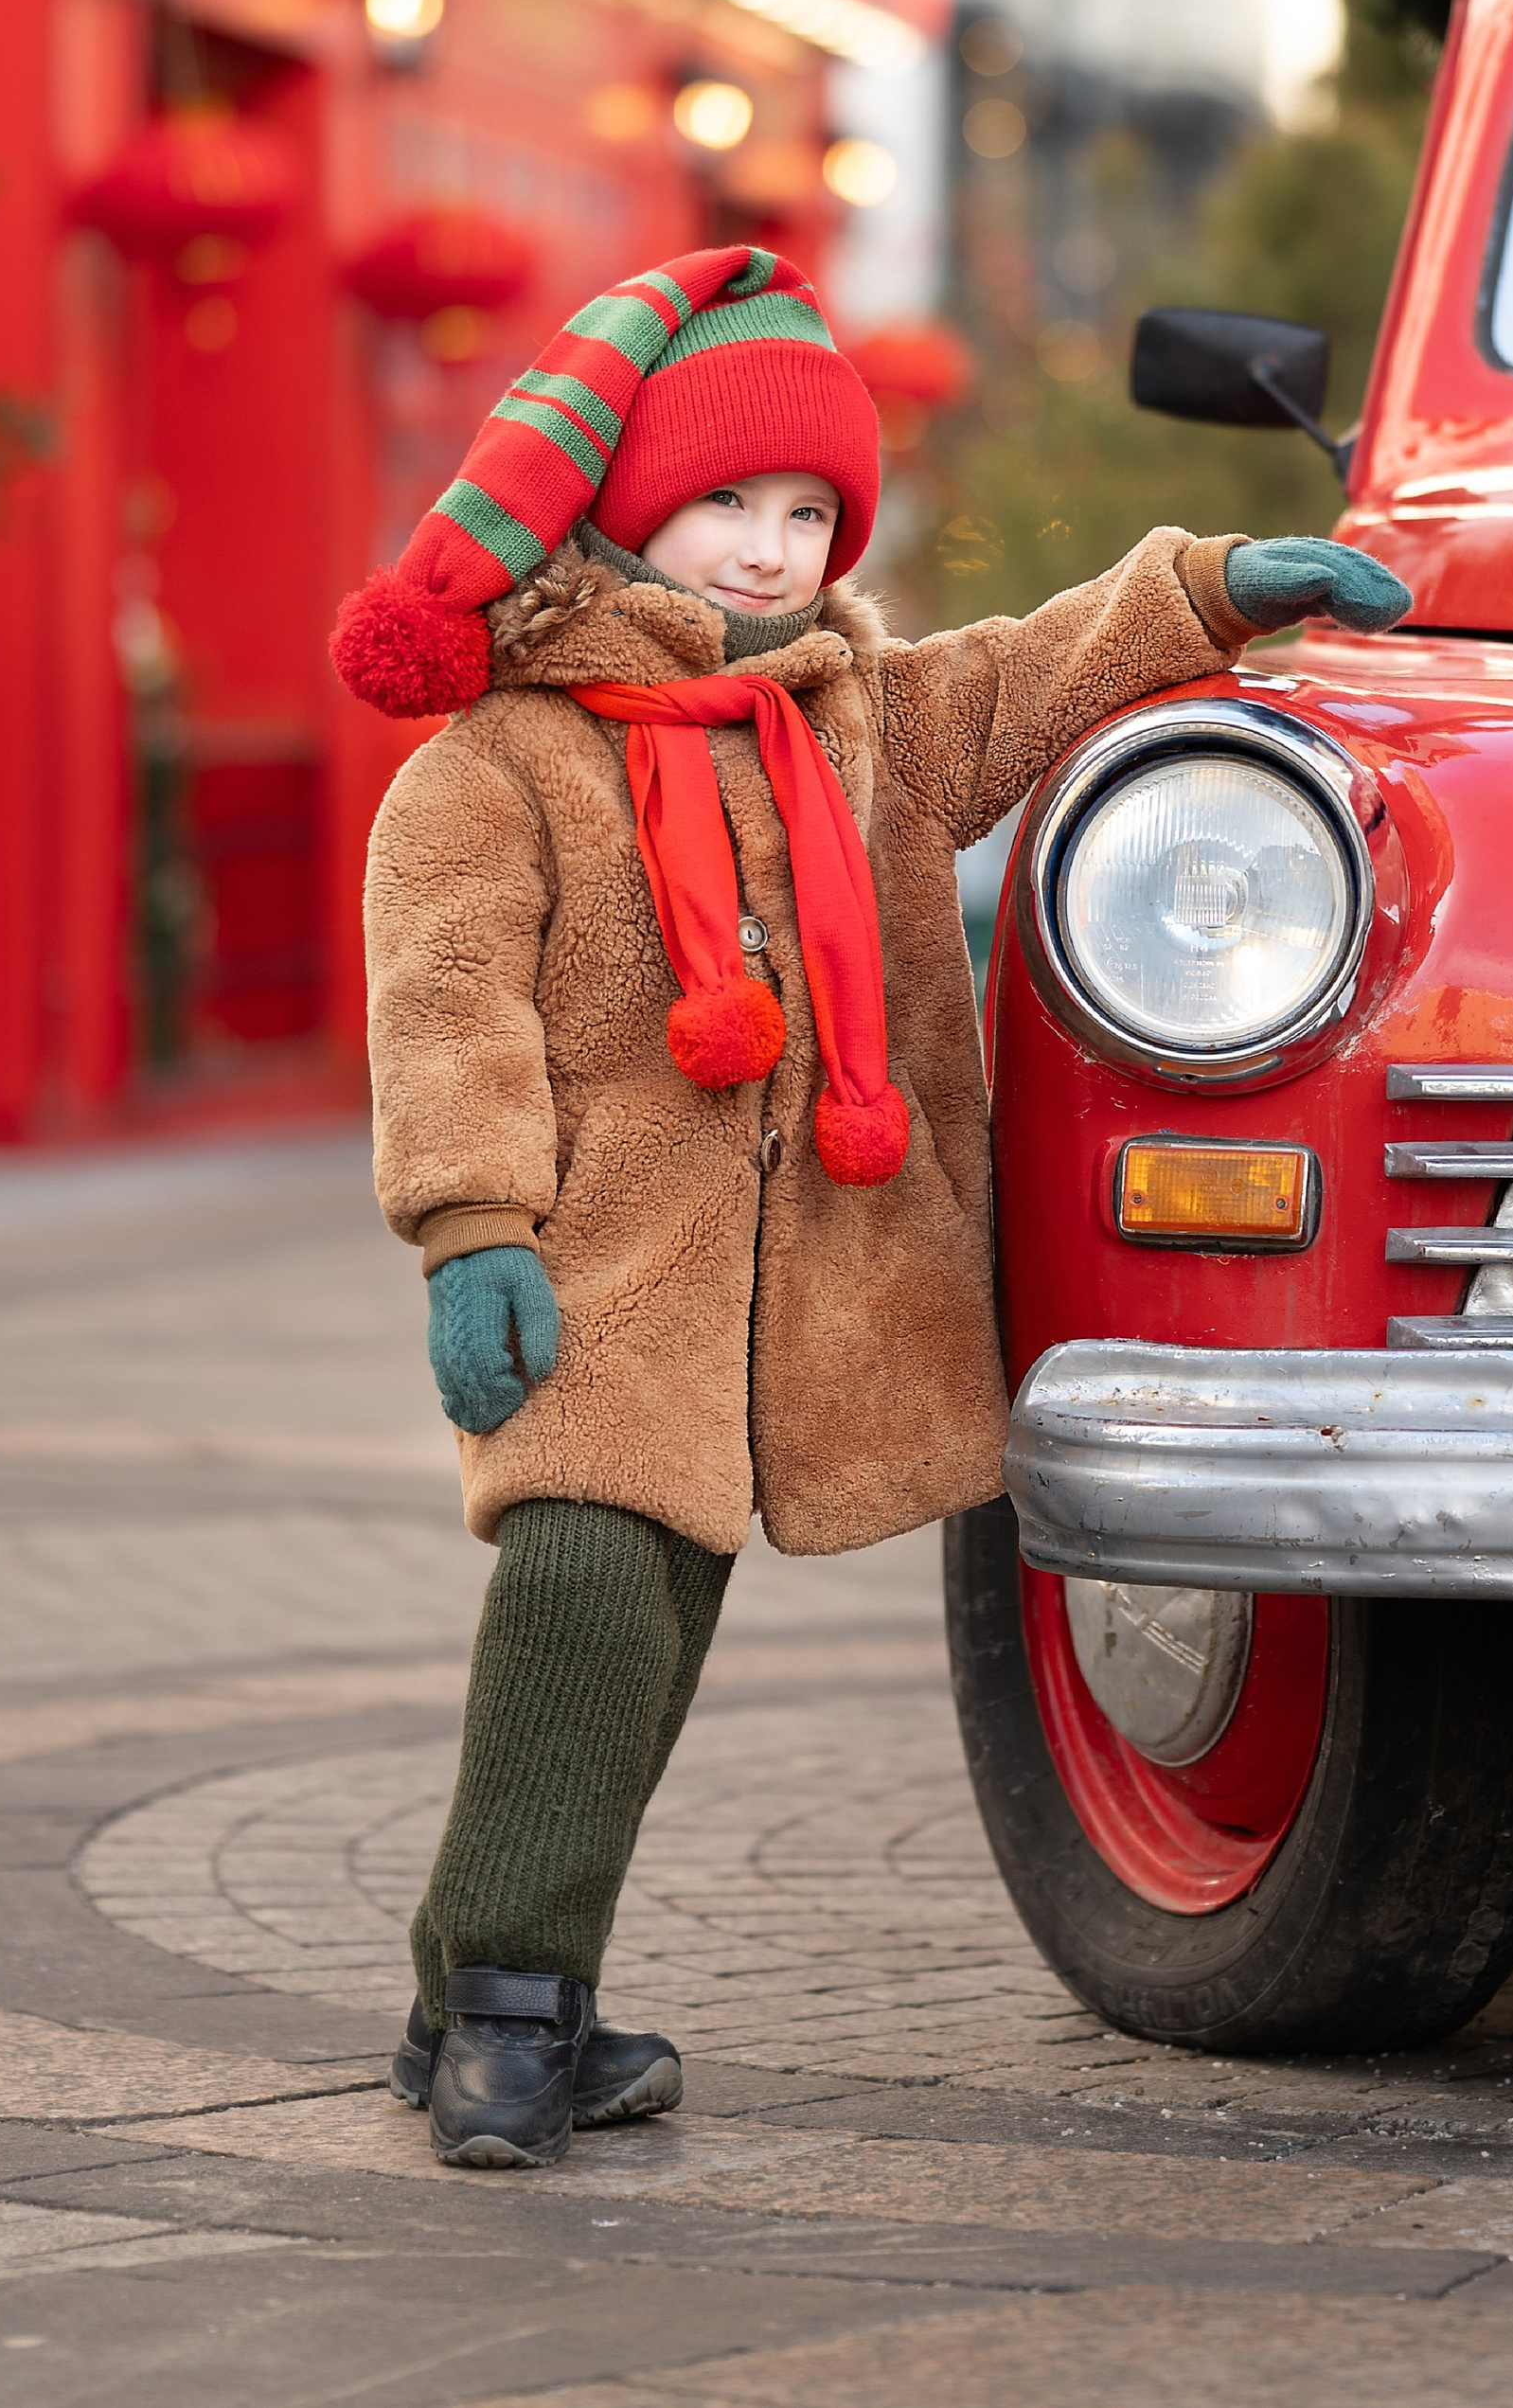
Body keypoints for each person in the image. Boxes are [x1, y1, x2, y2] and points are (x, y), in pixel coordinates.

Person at [329, 243, 1409, 2167]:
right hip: (599, 1265)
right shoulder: (501, 760)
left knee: (647, 1630)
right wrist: (470, 1227)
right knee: (583, 1590)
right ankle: (502, 2015)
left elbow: (1028, 674)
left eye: (809, 512)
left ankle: (484, 1992)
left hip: (794, 1294)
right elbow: (445, 1008)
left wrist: (1207, 591)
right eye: (727, 501)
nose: (770, 547)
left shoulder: (859, 721)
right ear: (624, 502)